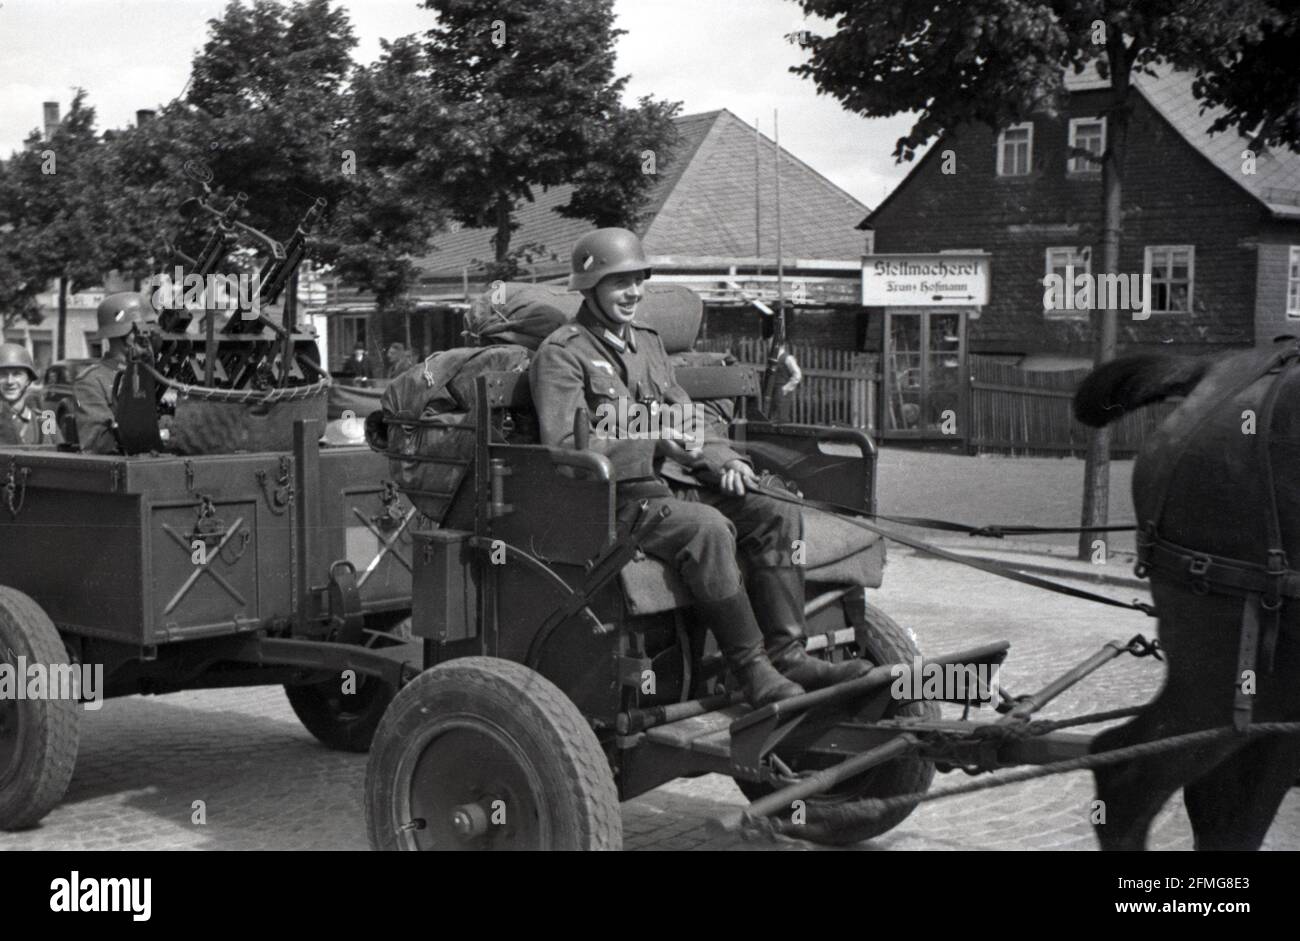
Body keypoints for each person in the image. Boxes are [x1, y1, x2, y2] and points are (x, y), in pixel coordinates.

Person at [530, 228, 871, 708]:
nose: (633, 293)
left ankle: (788, 654)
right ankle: (751, 668)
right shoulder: (563, 353)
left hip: (675, 487)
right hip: (619, 499)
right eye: (618, 283)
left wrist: (724, 459)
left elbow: (689, 421)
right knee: (708, 528)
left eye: (638, 279)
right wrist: (653, 442)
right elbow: (567, 447)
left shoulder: (646, 344)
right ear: (590, 288)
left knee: (777, 510)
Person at [73, 292, 159, 454]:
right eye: (146, 328)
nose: (153, 336)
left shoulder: (153, 373)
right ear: (128, 336)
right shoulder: (91, 382)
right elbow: (98, 444)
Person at [0, 343, 57, 445]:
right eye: (3, 374)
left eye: (17, 374)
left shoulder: (45, 422)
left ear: (28, 380)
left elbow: (61, 457)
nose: (10, 381)